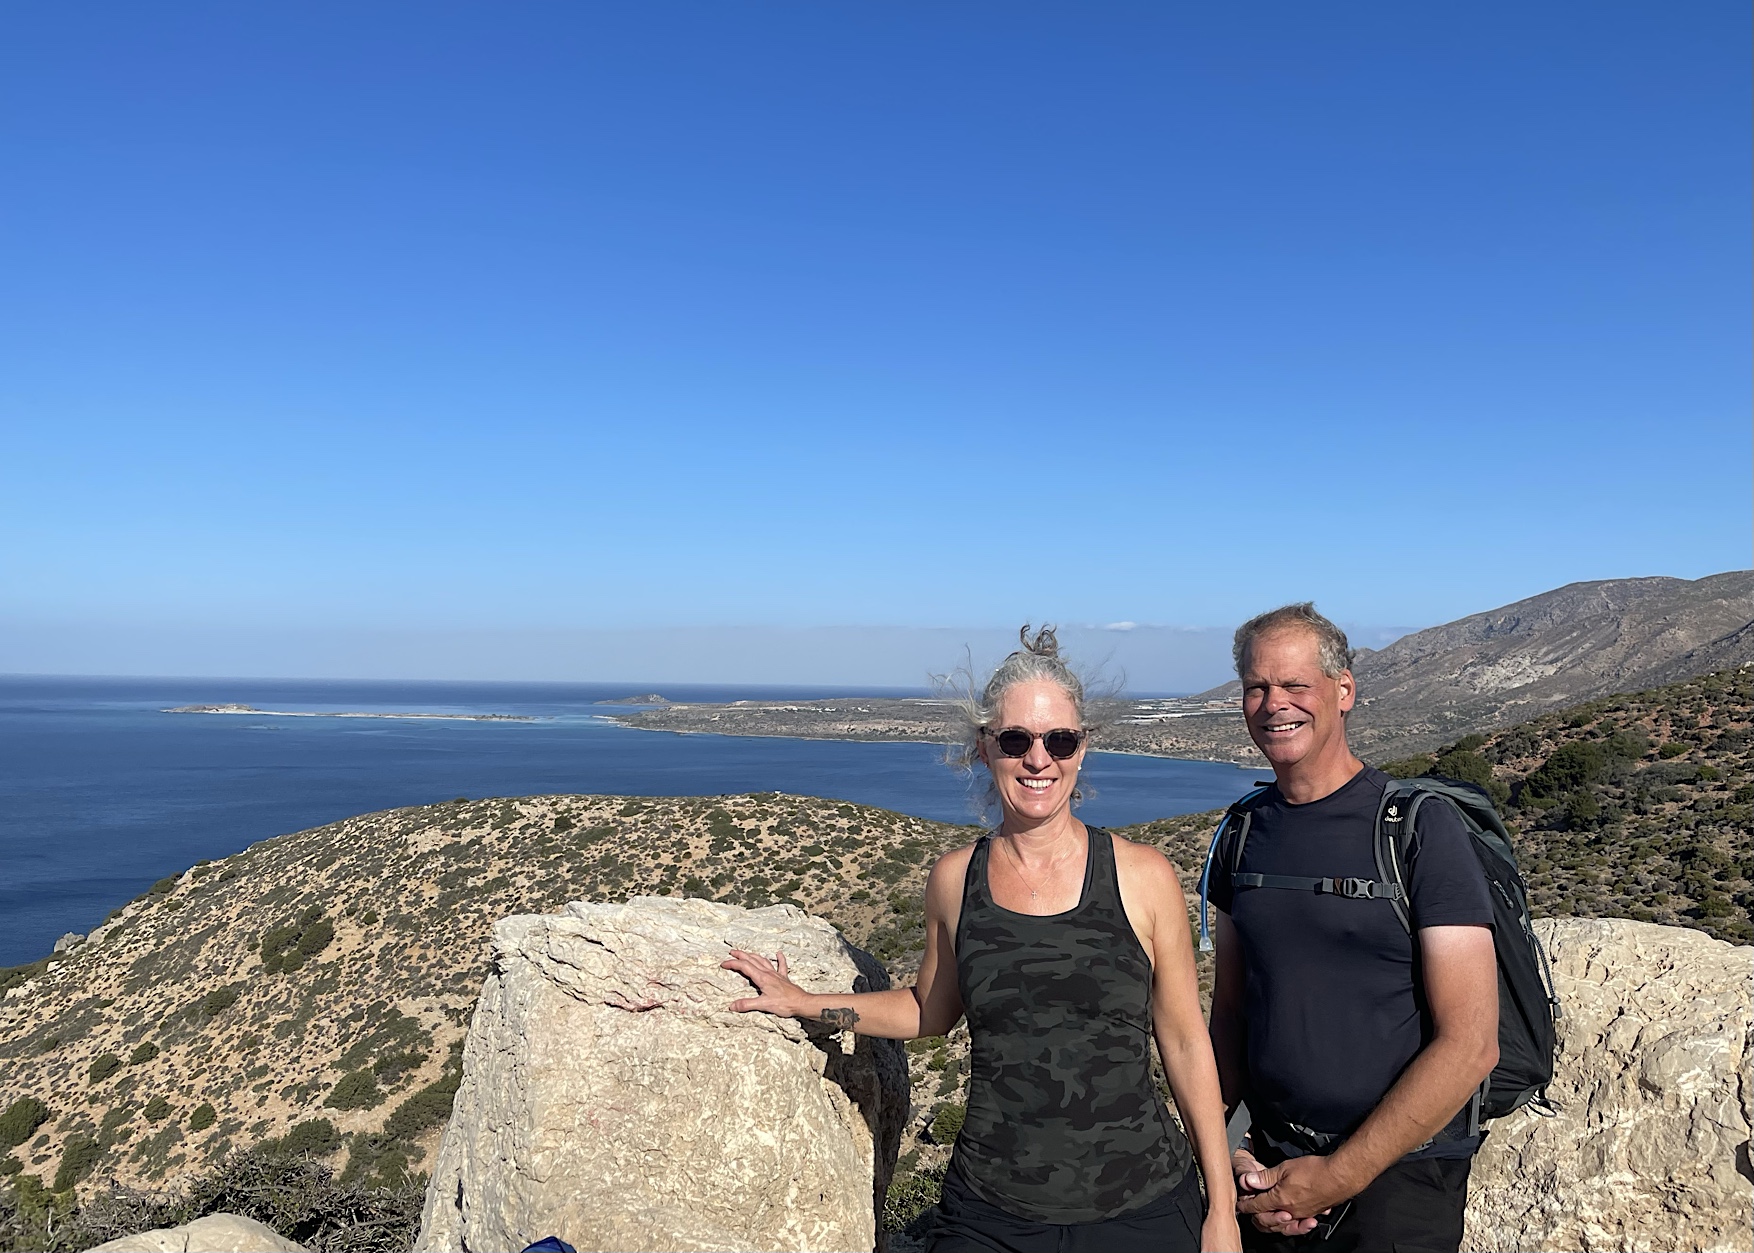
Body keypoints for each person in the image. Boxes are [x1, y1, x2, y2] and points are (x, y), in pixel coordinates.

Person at [723, 627, 1241, 1253]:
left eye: (1060, 740)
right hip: (992, 1211)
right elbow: (928, 1010)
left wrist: (1222, 1210)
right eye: (1016, 739)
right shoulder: (954, 881)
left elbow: (1186, 1041)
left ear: (1083, 748)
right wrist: (808, 1002)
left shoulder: (1143, 877)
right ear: (984, 746)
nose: (1038, 759)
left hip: (1144, 1206)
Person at [1208, 604, 1499, 1253]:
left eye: (1294, 685)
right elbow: (1229, 1014)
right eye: (1256, 686)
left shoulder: (1418, 828)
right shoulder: (1242, 833)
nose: (1273, 703)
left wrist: (1339, 1175)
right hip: (1274, 1172)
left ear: (1343, 690)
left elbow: (1473, 1042)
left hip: (1400, 1185)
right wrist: (1225, 1149)